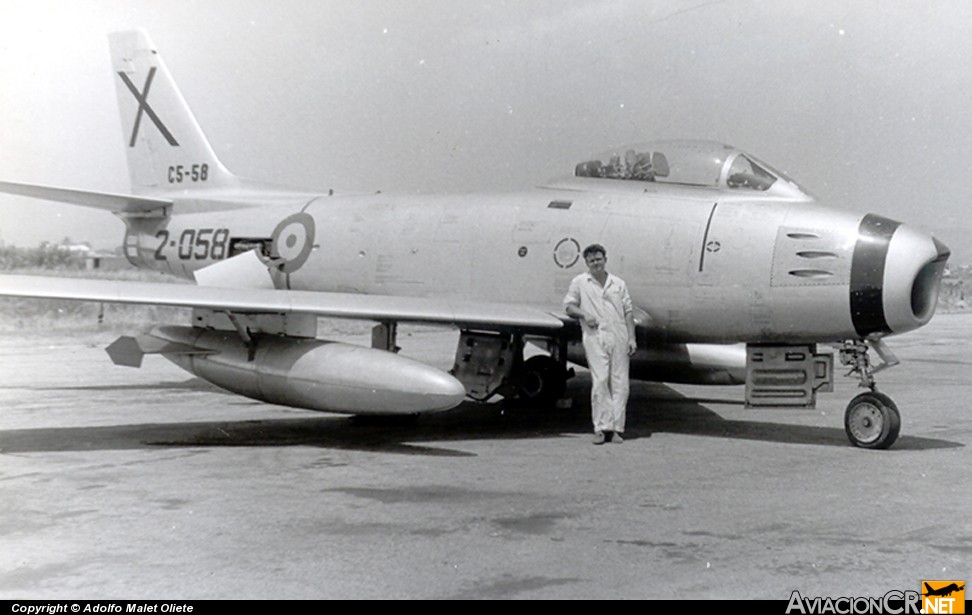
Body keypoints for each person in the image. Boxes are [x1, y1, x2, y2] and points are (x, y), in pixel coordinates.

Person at [564, 244, 637, 445]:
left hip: (619, 334)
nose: (596, 263)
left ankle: (616, 429)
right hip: (595, 335)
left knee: (620, 383)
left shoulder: (618, 283)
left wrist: (631, 337)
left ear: (605, 259)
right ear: (586, 263)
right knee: (600, 380)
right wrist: (585, 314)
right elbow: (569, 306)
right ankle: (600, 427)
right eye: (591, 261)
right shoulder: (580, 282)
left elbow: (628, 311)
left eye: (598, 259)